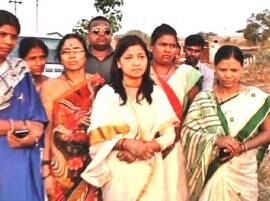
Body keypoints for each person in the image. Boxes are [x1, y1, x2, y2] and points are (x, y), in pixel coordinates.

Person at [81, 35, 178, 201]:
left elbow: (170, 135)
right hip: (118, 172)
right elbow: (96, 136)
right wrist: (126, 144)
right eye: (129, 57)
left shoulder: (156, 94)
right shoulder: (108, 94)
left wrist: (145, 149)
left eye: (141, 57)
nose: (136, 62)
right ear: (119, 63)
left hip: (151, 168)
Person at [181, 45, 270, 201]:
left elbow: (268, 132)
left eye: (234, 70)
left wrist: (242, 147)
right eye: (223, 70)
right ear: (215, 68)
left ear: (242, 68)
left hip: (243, 171)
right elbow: (187, 132)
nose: (228, 75)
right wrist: (216, 140)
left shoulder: (256, 98)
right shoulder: (204, 99)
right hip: (210, 170)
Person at [40, 33, 104, 201]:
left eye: (77, 50)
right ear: (60, 57)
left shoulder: (98, 85)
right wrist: (46, 169)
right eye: (66, 51)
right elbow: (47, 129)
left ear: (85, 54)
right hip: (61, 166)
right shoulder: (49, 87)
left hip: (95, 162)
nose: (72, 55)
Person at [150, 24, 202, 201]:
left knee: (173, 191)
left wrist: (175, 136)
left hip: (176, 143)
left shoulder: (188, 74)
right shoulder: (141, 72)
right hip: (145, 142)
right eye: (162, 45)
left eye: (172, 46)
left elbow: (194, 111)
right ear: (152, 46)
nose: (168, 50)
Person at [0, 10, 48, 201]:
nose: (9, 42)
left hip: (19, 161)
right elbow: (28, 124)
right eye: (2, 34)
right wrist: (19, 125)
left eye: (13, 36)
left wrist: (30, 136)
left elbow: (37, 122)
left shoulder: (19, 71)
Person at [86, 16, 114, 83]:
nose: (102, 34)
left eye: (107, 31)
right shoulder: (79, 58)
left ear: (111, 34)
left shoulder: (121, 57)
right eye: (96, 31)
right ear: (88, 35)